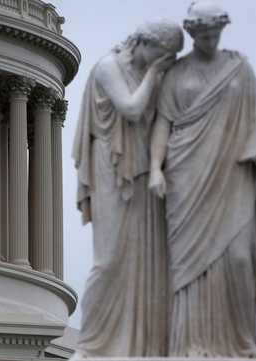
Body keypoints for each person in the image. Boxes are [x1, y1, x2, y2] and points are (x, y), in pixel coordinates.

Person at [148, 2, 256, 358]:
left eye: (215, 34)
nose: (211, 41)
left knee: (239, 259)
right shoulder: (176, 74)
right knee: (186, 267)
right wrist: (154, 168)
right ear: (193, 34)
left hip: (234, 173)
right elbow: (163, 124)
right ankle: (189, 345)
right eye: (204, 35)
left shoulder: (240, 69)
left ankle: (242, 343)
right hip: (185, 174)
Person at [71, 18, 183, 358]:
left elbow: (165, 118)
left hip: (141, 172)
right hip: (111, 168)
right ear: (145, 44)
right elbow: (132, 110)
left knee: (142, 261)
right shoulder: (109, 66)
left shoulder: (156, 75)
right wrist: (155, 74)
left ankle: (140, 345)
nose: (165, 63)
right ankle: (92, 344)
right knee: (109, 260)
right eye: (164, 55)